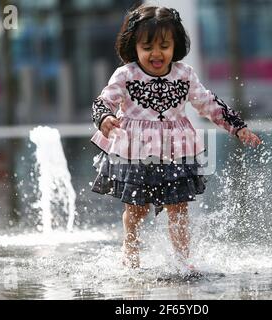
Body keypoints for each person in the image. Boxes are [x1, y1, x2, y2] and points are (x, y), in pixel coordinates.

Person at [90, 5, 261, 270]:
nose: (156, 54)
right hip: (135, 150)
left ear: (175, 45)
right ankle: (130, 251)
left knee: (178, 207)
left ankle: (183, 261)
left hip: (175, 151)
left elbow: (207, 103)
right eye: (147, 48)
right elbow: (104, 101)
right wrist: (104, 119)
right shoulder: (126, 75)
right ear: (133, 47)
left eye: (164, 46)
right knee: (137, 209)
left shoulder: (184, 74)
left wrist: (236, 126)